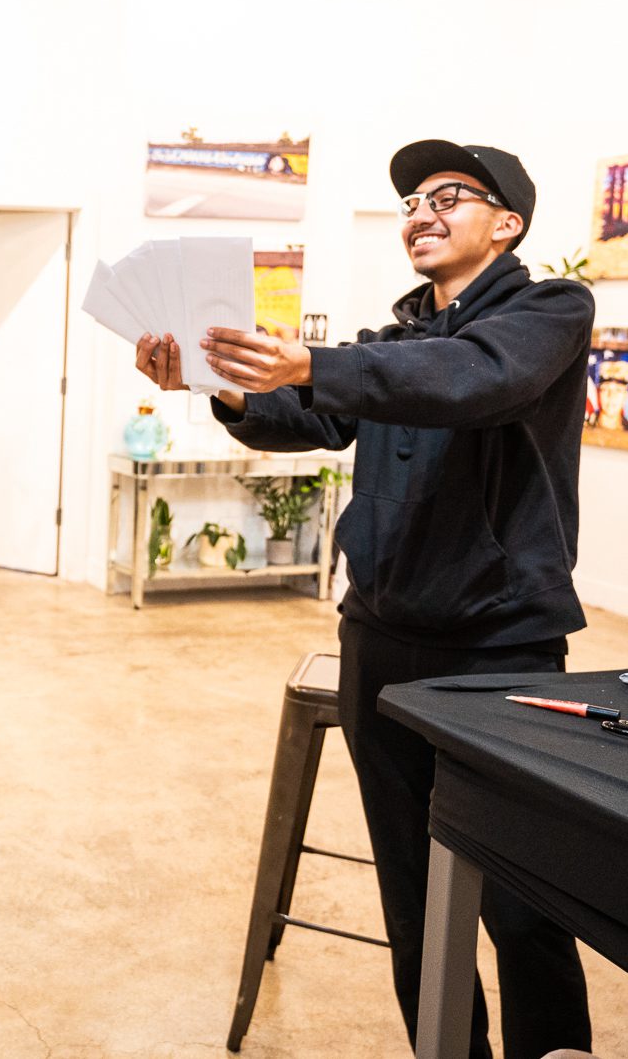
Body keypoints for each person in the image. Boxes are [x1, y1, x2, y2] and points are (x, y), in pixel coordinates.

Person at [134, 140, 594, 1059]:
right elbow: (308, 416)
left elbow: (475, 379)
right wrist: (219, 383)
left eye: (447, 196)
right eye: (411, 202)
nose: (420, 212)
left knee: (522, 903)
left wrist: (312, 363)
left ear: (506, 223)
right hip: (379, 640)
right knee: (413, 895)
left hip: (499, 646)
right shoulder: (391, 342)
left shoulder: (549, 312)